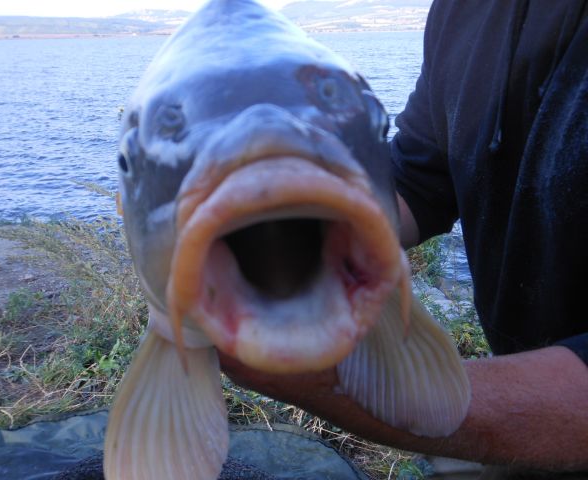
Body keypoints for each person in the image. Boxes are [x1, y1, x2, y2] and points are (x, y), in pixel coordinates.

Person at [220, 0, 588, 477]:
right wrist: (296, 232)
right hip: (526, 405)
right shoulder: (462, 9)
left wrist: (356, 383)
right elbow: (419, 180)